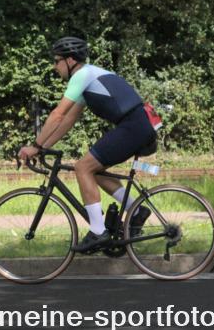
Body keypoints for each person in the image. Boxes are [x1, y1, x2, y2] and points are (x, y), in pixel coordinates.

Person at [18, 37, 157, 253]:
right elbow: (67, 121)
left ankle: (98, 231)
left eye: (57, 61)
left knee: (83, 167)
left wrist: (34, 146)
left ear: (70, 60)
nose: (55, 67)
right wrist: (42, 146)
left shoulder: (82, 76)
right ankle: (136, 211)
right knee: (95, 171)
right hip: (136, 124)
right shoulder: (89, 77)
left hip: (133, 126)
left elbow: (57, 114)